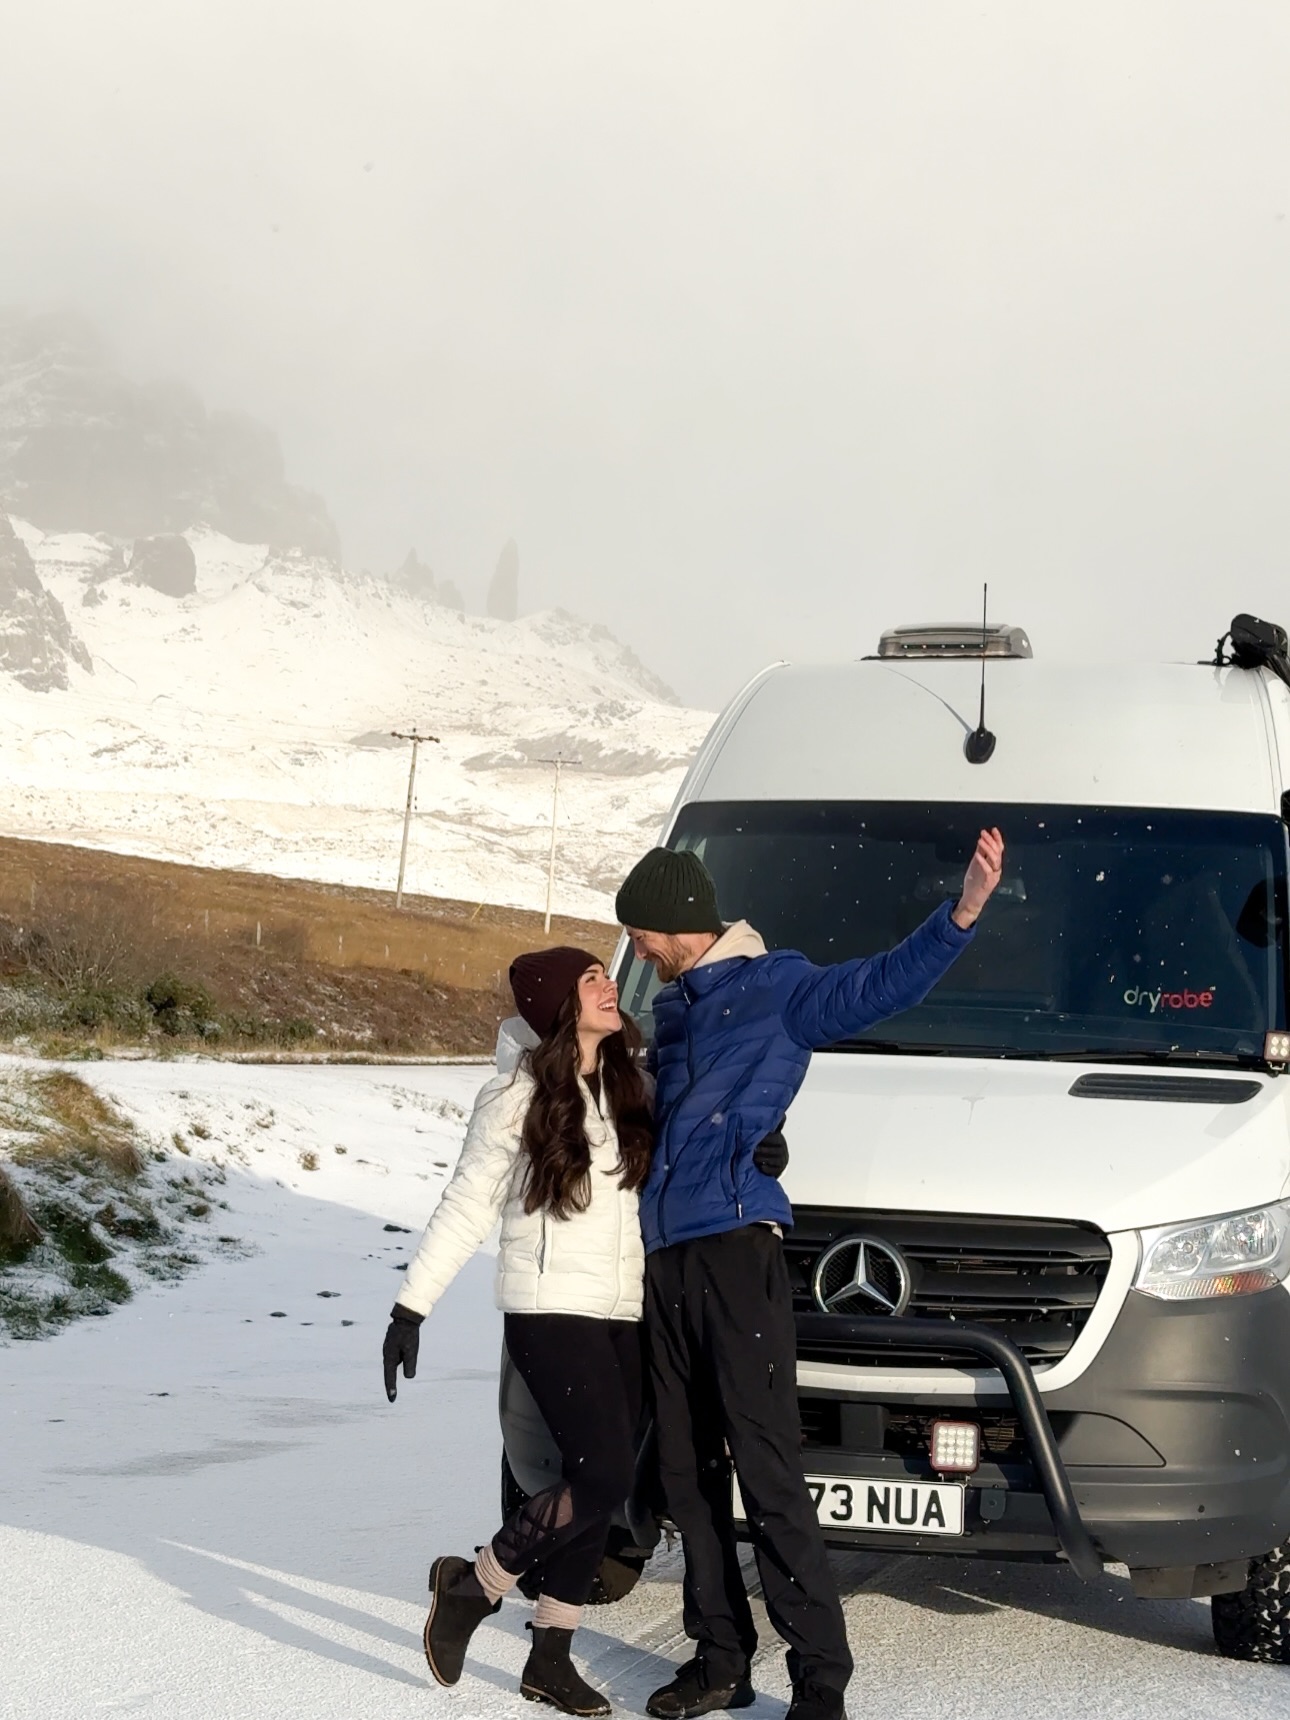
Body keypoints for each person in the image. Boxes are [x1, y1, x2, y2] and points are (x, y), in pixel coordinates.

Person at [616, 829, 1005, 1720]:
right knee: (684, 1473)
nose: (636, 951)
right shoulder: (674, 1011)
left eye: (639, 935)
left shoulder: (778, 987)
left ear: (674, 924)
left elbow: (879, 985)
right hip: (665, 1260)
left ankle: (820, 1679)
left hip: (736, 1253)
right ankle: (720, 1659)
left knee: (767, 1470)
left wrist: (961, 914)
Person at [380, 944, 789, 1714]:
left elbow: (703, 1137)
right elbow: (465, 1207)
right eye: (591, 978)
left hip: (621, 1312)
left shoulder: (635, 1086)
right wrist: (411, 1308)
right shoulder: (513, 1099)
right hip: (547, 1310)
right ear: (562, 1008)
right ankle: (474, 1586)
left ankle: (550, 1659)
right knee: (599, 1477)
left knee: (597, 1489)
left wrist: (759, 1146)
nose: (609, 985)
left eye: (605, 973)